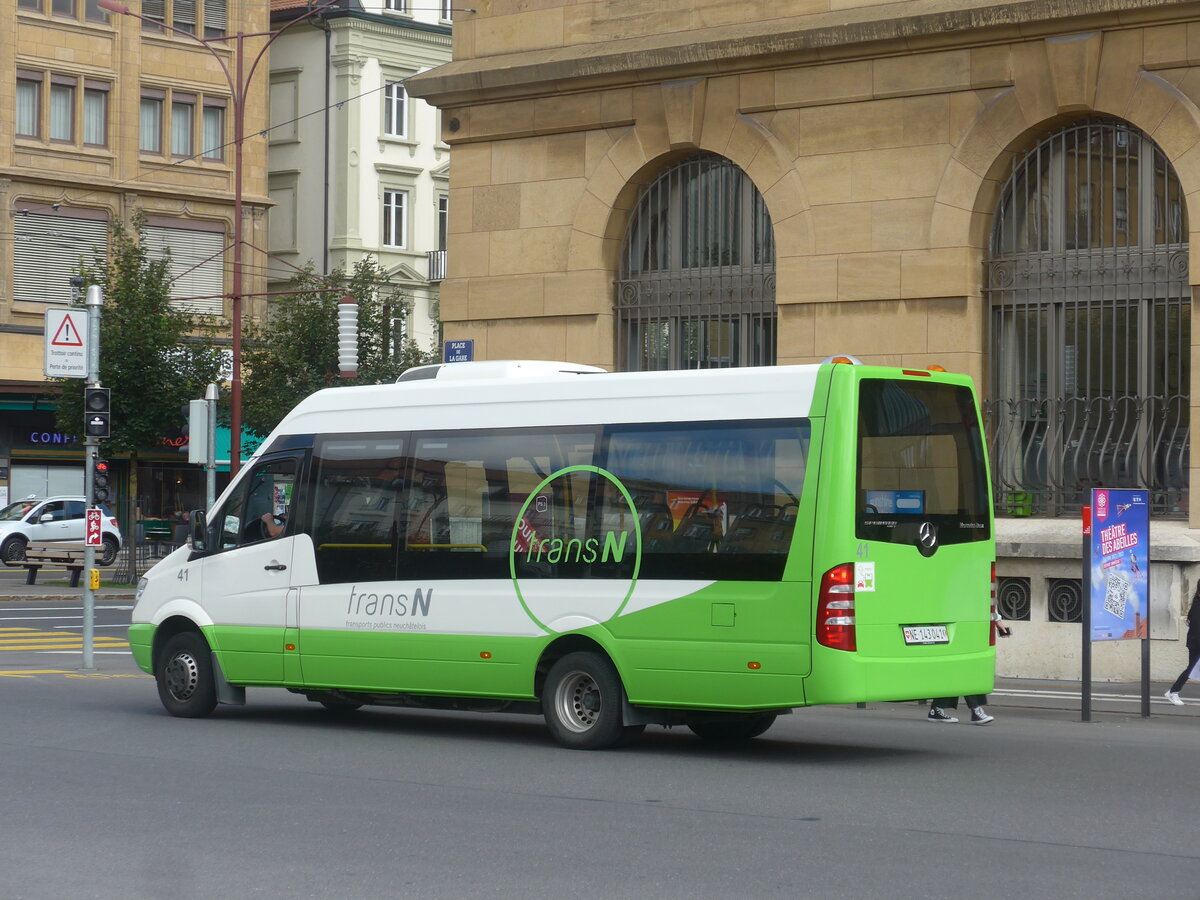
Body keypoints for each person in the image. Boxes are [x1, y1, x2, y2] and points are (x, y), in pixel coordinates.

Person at [927, 611, 1012, 725]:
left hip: (959, 624)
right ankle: (975, 710)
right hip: (957, 624)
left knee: (957, 668)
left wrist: (997, 619)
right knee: (964, 668)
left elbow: (983, 598)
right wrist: (997, 619)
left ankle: (937, 708)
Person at [1164, 586, 1200, 706]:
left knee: (1192, 669)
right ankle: (1173, 691)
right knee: (1191, 669)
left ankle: (1173, 691)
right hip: (1196, 644)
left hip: (1196, 642)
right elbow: (1196, 629)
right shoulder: (1197, 606)